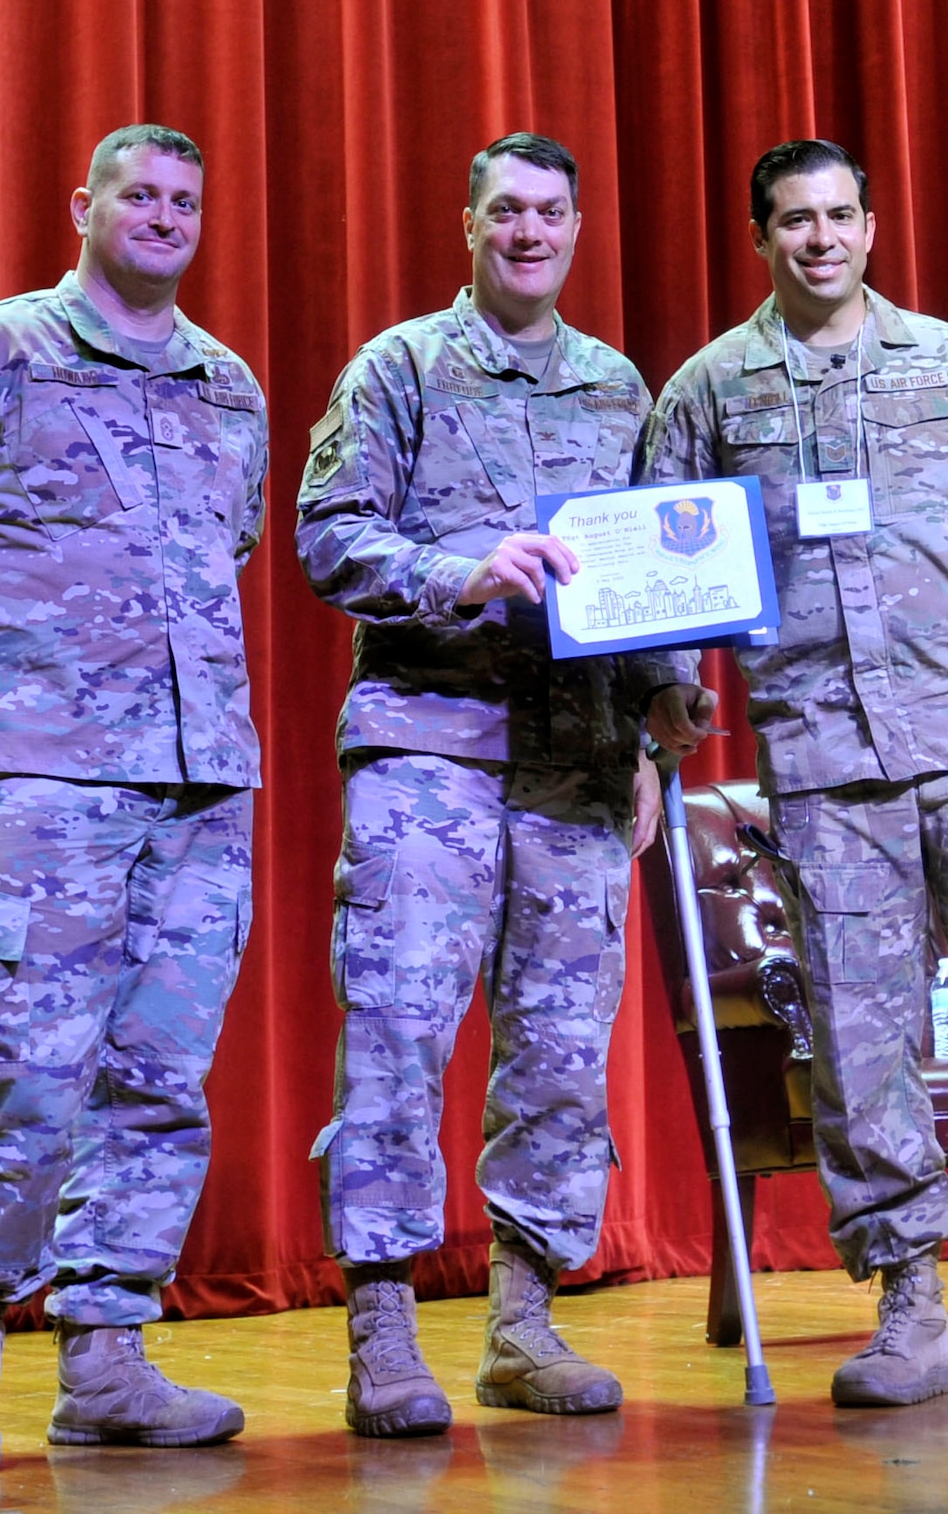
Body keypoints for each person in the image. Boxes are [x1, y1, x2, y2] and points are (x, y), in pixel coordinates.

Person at [0, 124, 268, 1474]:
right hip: (40, 776)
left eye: (183, 200)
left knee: (158, 1078)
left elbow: (235, 538)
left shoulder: (227, 385)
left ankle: (108, 1355)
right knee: (20, 1072)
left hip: (201, 782)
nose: (161, 216)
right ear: (83, 205)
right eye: (136, 195)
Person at [640, 139, 948, 1407]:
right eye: (794, 220)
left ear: (871, 225)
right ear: (759, 238)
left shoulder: (944, 363)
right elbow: (665, 557)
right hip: (825, 759)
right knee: (857, 1029)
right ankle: (907, 1304)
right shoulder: (711, 388)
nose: (820, 239)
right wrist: (671, 681)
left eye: (840, 216)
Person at [295, 132, 678, 1438]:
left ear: (578, 228)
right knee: (401, 1033)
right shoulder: (399, 367)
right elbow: (328, 535)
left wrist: (654, 730)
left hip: (575, 765)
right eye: (505, 209)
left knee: (564, 1050)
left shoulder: (619, 388)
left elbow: (643, 585)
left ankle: (522, 1323)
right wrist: (459, 570)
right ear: (467, 223)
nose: (529, 232)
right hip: (427, 746)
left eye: (552, 212)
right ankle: (385, 1329)